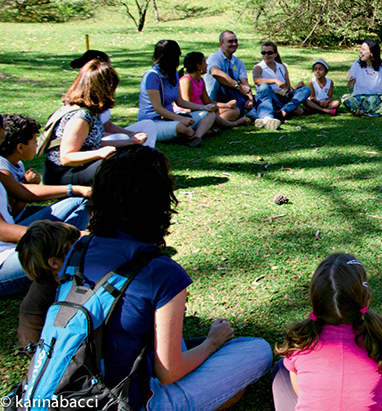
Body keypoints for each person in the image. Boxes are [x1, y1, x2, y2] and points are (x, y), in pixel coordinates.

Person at [75, 145, 272, 410]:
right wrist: (212, 343)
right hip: (126, 401)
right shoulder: (162, 272)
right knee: (256, 350)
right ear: (158, 200)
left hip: (76, 385)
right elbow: (169, 372)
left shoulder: (77, 250)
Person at [271, 253, 382, 411]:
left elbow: (298, 390)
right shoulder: (380, 336)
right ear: (366, 300)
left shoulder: (300, 340)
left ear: (314, 302)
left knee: (282, 368)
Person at [0, 114, 90, 298]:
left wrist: (75, 189)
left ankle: (70, 254)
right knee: (78, 247)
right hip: (4, 261)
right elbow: (2, 231)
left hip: (14, 246)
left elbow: (22, 194)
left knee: (78, 202)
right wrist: (59, 236)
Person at [42, 59, 120, 185]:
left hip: (79, 167)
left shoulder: (90, 111)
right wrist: (100, 153)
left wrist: (130, 142)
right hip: (63, 173)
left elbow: (89, 143)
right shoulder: (80, 117)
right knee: (117, 166)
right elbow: (66, 157)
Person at [70, 50, 157, 150]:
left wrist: (132, 134)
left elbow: (107, 125)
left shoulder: (101, 97)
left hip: (102, 137)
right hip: (93, 145)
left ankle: (147, 155)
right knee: (122, 137)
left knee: (148, 125)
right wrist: (127, 138)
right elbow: (91, 138)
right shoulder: (82, 111)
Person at [137, 40, 217, 147]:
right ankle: (197, 133)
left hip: (171, 118)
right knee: (182, 128)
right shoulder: (152, 76)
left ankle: (195, 137)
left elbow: (180, 102)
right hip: (153, 121)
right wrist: (181, 119)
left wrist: (203, 108)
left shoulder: (173, 73)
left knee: (209, 114)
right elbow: (158, 108)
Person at [16, 220, 80, 348]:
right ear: (54, 263)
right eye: (75, 248)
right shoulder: (37, 301)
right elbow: (32, 345)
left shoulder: (71, 276)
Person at [179, 52, 249, 128]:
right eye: (204, 62)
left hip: (204, 109)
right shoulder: (186, 81)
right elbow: (187, 108)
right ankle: (233, 123)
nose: (206, 65)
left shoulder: (200, 80)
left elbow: (207, 101)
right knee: (212, 115)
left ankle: (212, 124)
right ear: (198, 66)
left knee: (235, 110)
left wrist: (227, 105)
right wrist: (204, 109)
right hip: (194, 113)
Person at [204, 30, 256, 122]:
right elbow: (215, 72)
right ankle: (248, 112)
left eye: (236, 41)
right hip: (215, 97)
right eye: (230, 41)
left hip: (233, 98)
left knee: (263, 93)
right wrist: (237, 86)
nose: (234, 44)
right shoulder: (215, 58)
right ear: (221, 44)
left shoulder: (238, 62)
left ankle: (249, 109)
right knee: (224, 81)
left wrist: (250, 100)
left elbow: (245, 85)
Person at [252, 41, 311, 121]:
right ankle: (286, 110)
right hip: (270, 97)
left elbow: (288, 87)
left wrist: (296, 87)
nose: (266, 55)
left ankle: (283, 111)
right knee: (264, 87)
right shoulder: (258, 67)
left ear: (275, 54)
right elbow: (257, 80)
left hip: (283, 95)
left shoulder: (281, 67)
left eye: (269, 53)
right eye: (263, 52)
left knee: (306, 89)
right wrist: (275, 81)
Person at [342, 40, 382, 118]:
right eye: (361, 49)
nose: (360, 51)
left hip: (376, 99)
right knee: (345, 98)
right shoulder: (357, 64)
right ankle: (376, 111)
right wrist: (349, 82)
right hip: (359, 98)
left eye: (363, 49)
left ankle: (361, 111)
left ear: (372, 53)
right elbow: (350, 87)